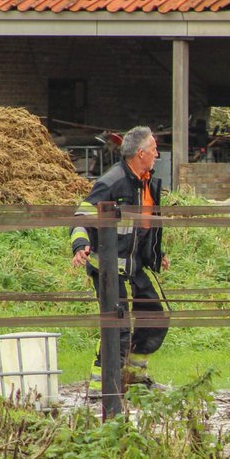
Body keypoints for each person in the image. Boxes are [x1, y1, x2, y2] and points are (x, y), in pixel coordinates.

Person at [70, 126, 170, 396]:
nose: (157, 154)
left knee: (155, 320)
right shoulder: (112, 181)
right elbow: (81, 216)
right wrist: (80, 245)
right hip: (109, 269)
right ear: (140, 153)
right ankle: (102, 390)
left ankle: (135, 378)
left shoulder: (146, 180)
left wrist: (157, 255)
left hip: (135, 267)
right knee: (119, 328)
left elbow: (144, 225)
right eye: (153, 150)